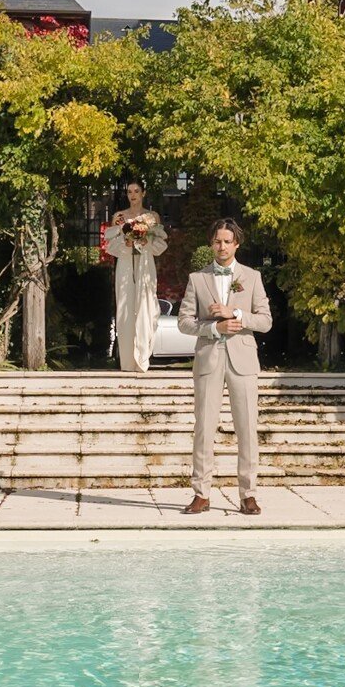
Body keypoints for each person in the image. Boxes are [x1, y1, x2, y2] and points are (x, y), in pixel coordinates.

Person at [178, 219, 271, 515]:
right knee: (204, 428)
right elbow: (184, 322)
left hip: (243, 361)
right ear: (211, 244)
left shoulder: (252, 277)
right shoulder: (197, 278)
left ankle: (248, 495)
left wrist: (237, 314)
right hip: (209, 359)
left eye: (227, 241)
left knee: (247, 429)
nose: (222, 246)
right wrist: (215, 328)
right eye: (217, 241)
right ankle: (201, 494)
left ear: (236, 245)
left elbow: (266, 321)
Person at [101, 182, 169, 373]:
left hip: (145, 264)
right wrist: (126, 242)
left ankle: (143, 357)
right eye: (129, 192)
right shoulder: (119, 217)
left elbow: (160, 245)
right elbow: (110, 246)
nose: (133, 195)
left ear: (143, 193)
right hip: (125, 264)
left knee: (147, 306)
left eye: (136, 191)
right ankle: (127, 362)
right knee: (125, 308)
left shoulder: (151, 217)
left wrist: (146, 241)